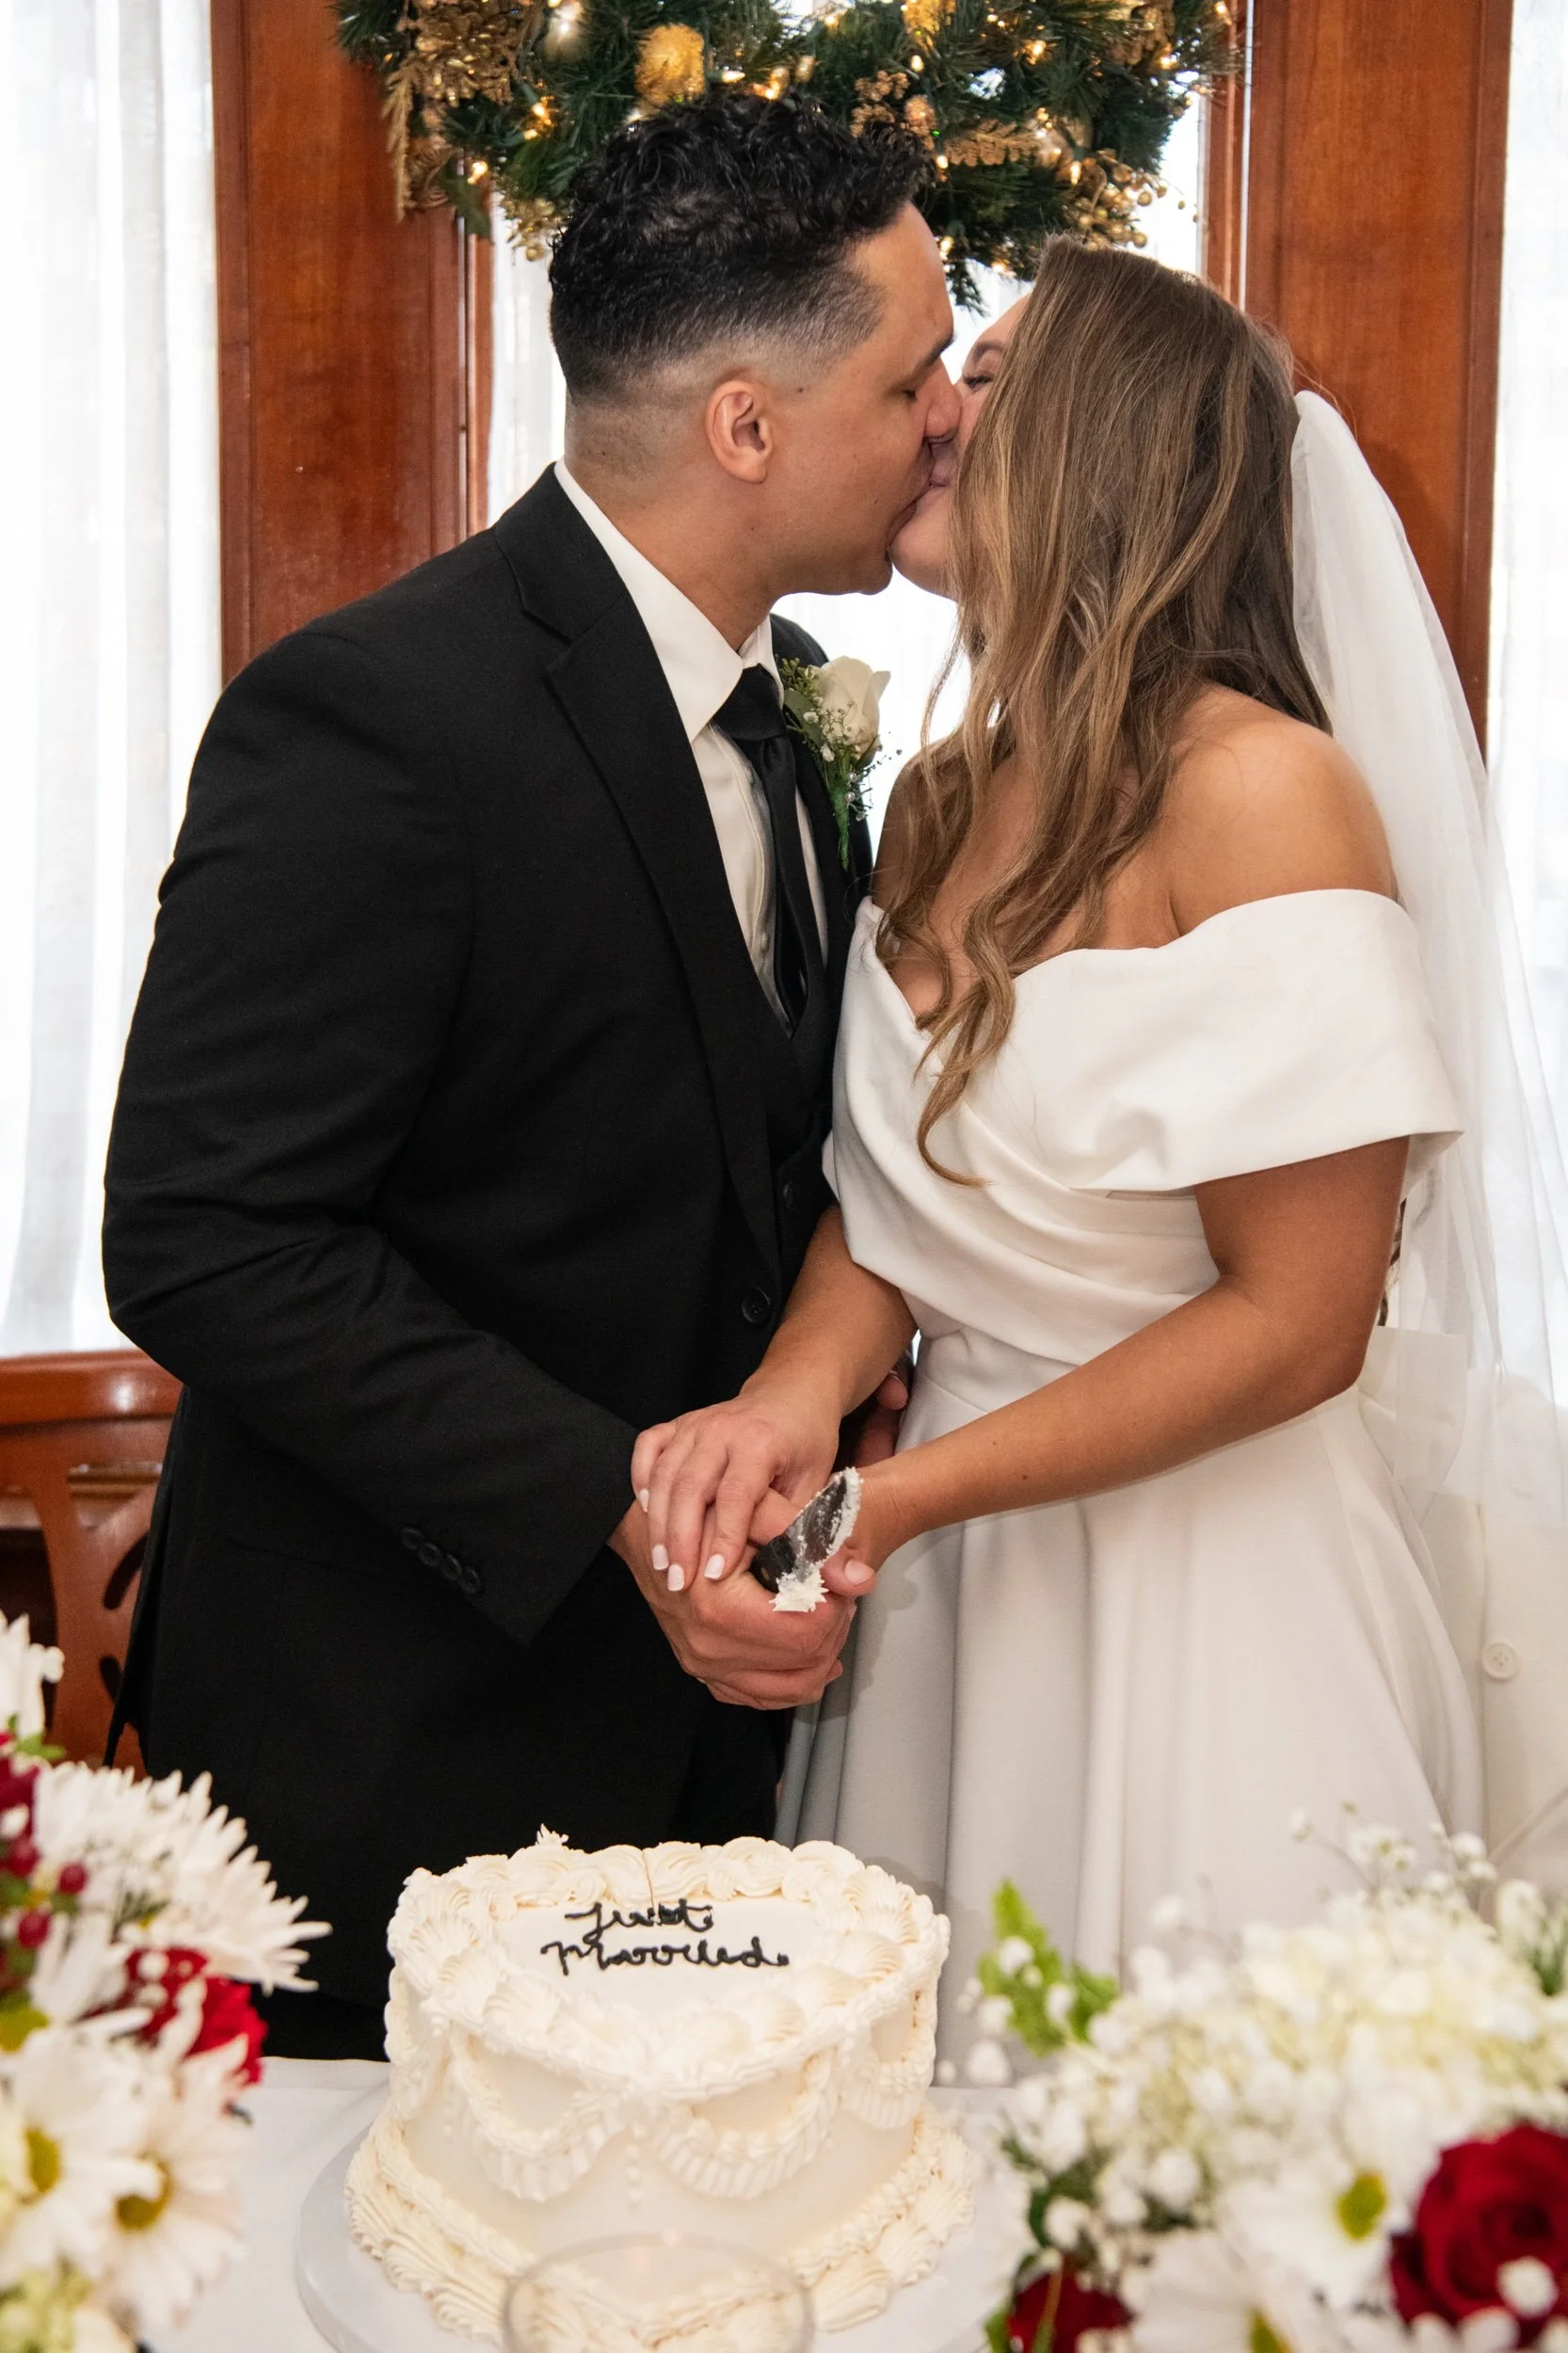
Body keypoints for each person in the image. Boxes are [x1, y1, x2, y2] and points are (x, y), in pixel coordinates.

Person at [101, 96, 957, 2058]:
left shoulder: (780, 726)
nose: (940, 420)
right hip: (402, 1740)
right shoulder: (377, 718)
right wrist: (620, 1508)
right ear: (743, 424)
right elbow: (206, 1239)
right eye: (908, 373)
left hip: (702, 1766)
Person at [632, 243, 1486, 2050]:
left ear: (1113, 440)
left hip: (1201, 1588)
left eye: (993, 375)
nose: (936, 407)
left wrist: (905, 1497)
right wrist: (786, 1412)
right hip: (950, 1596)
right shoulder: (936, 800)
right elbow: (893, 1208)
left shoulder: (1261, 791)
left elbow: (1299, 1319)